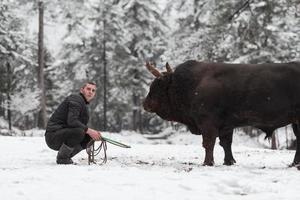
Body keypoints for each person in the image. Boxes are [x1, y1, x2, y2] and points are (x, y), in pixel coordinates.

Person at [45, 82, 102, 164]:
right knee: (79, 132)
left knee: (88, 138)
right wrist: (90, 131)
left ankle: (66, 156)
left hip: (62, 135)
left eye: (93, 90)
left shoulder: (82, 103)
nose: (91, 92)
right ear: (82, 90)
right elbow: (72, 121)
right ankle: (62, 158)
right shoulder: (76, 99)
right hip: (53, 136)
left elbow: (78, 124)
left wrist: (93, 134)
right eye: (88, 89)